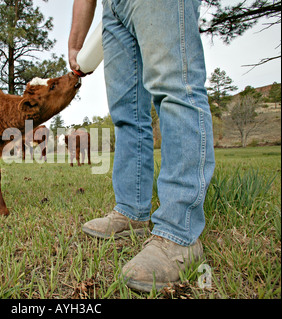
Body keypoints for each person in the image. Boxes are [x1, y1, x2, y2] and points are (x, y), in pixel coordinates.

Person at [68, 0, 215, 292]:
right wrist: (76, 43)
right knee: (126, 113)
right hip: (112, 10)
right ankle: (131, 211)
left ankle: (179, 232)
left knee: (174, 87)